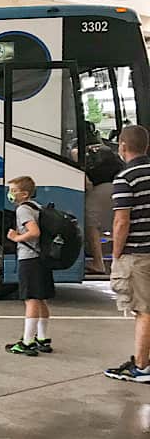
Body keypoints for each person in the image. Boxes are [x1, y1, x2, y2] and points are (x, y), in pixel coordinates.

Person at [104, 125, 150, 383]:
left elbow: (122, 221)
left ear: (122, 146)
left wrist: (116, 253)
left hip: (138, 255)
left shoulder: (125, 178)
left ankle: (142, 367)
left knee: (143, 311)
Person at [5, 175, 54, 356]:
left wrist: (16, 238)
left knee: (31, 299)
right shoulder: (37, 207)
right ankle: (42, 338)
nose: (10, 194)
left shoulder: (23, 210)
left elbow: (34, 232)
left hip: (29, 259)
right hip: (42, 258)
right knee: (41, 299)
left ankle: (27, 341)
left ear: (24, 194)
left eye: (13, 191)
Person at [83, 122, 124, 274]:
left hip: (100, 188)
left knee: (91, 225)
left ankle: (98, 263)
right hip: (118, 187)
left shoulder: (78, 150)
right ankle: (118, 259)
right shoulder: (107, 149)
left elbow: (86, 182)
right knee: (117, 223)